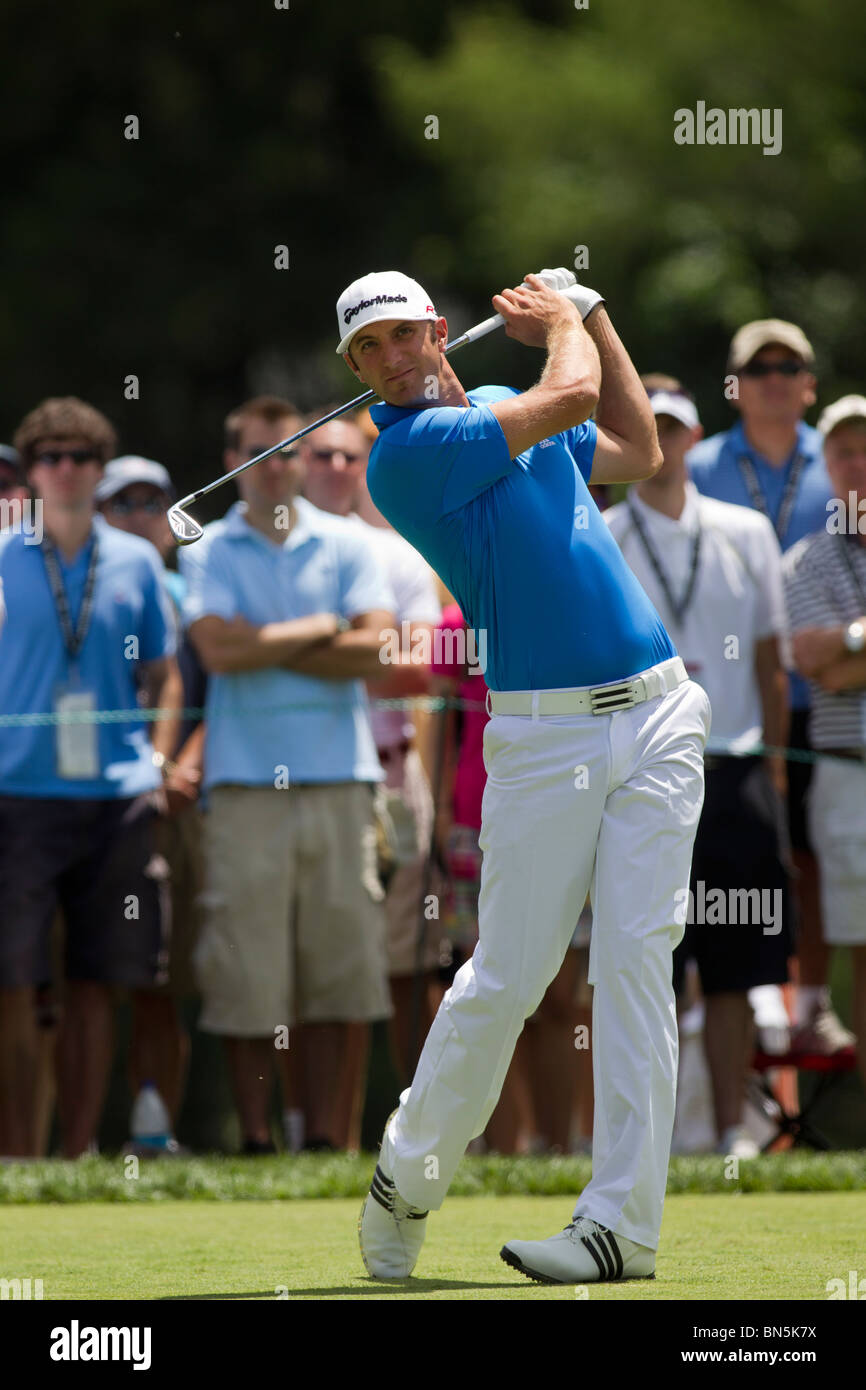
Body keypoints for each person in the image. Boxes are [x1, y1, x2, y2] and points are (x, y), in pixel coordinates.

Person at [337, 269, 711, 1284]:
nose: (392, 357)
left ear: (437, 332)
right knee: (507, 976)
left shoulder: (503, 408)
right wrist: (564, 322)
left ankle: (618, 1228)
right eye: (369, 349)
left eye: (403, 335)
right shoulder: (406, 457)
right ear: (358, 371)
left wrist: (595, 314)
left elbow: (631, 449)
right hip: (543, 740)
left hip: (658, 707)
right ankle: (406, 1177)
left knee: (637, 960)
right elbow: (575, 396)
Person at [180, 396, 397, 1153]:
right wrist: (320, 628)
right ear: (231, 462)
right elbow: (215, 652)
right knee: (248, 976)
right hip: (243, 789)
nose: (271, 467)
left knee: (344, 974)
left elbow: (378, 650)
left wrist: (261, 642)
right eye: (255, 452)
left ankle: (332, 1146)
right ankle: (256, 1142)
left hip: (340, 780)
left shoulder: (350, 543)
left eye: (284, 452)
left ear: (303, 459)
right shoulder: (205, 548)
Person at [605, 376, 792, 1159]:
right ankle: (639, 1142)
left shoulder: (746, 530)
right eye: (654, 428)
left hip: (736, 766)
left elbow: (771, 660)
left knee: (733, 967)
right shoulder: (604, 532)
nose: (666, 444)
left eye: (675, 428)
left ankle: (727, 1135)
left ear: (691, 435)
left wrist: (776, 774)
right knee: (646, 964)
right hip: (637, 768)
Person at [0, 398, 179, 1157]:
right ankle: (18, 1156)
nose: (66, 469)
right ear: (32, 470)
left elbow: (167, 675)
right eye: (51, 457)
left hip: (118, 795)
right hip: (18, 793)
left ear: (100, 469)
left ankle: (76, 1155)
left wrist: (163, 762)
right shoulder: (4, 551)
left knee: (101, 980)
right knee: (13, 980)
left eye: (81, 457)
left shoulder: (136, 559)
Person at [687, 322, 852, 1055]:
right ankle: (741, 998)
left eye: (790, 367)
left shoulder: (845, 458)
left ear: (810, 383)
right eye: (759, 369)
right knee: (728, 857)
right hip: (731, 700)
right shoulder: (699, 466)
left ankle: (810, 1001)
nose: (775, 379)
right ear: (735, 384)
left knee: (812, 856)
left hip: (830, 694)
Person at [299, 413, 444, 1110]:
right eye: (319, 453)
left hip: (391, 770)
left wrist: (292, 650)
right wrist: (354, 649)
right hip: (304, 772)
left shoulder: (398, 554)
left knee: (408, 969)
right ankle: (319, 1132)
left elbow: (417, 668)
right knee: (319, 964)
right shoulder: (279, 551)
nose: (334, 466)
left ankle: (428, 1134)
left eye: (348, 455)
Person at [96, 455, 208, 1138]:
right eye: (123, 504)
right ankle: (57, 1144)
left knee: (159, 981)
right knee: (73, 980)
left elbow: (211, 698)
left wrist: (178, 768)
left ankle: (154, 1129)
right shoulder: (72, 583)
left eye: (151, 504)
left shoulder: (189, 595)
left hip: (167, 802)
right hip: (86, 800)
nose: (138, 517)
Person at [783, 394, 866, 1090]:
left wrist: (848, 644)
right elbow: (813, 663)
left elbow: (836, 658)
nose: (857, 464)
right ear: (826, 468)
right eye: (843, 452)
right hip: (848, 770)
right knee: (863, 950)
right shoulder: (806, 561)